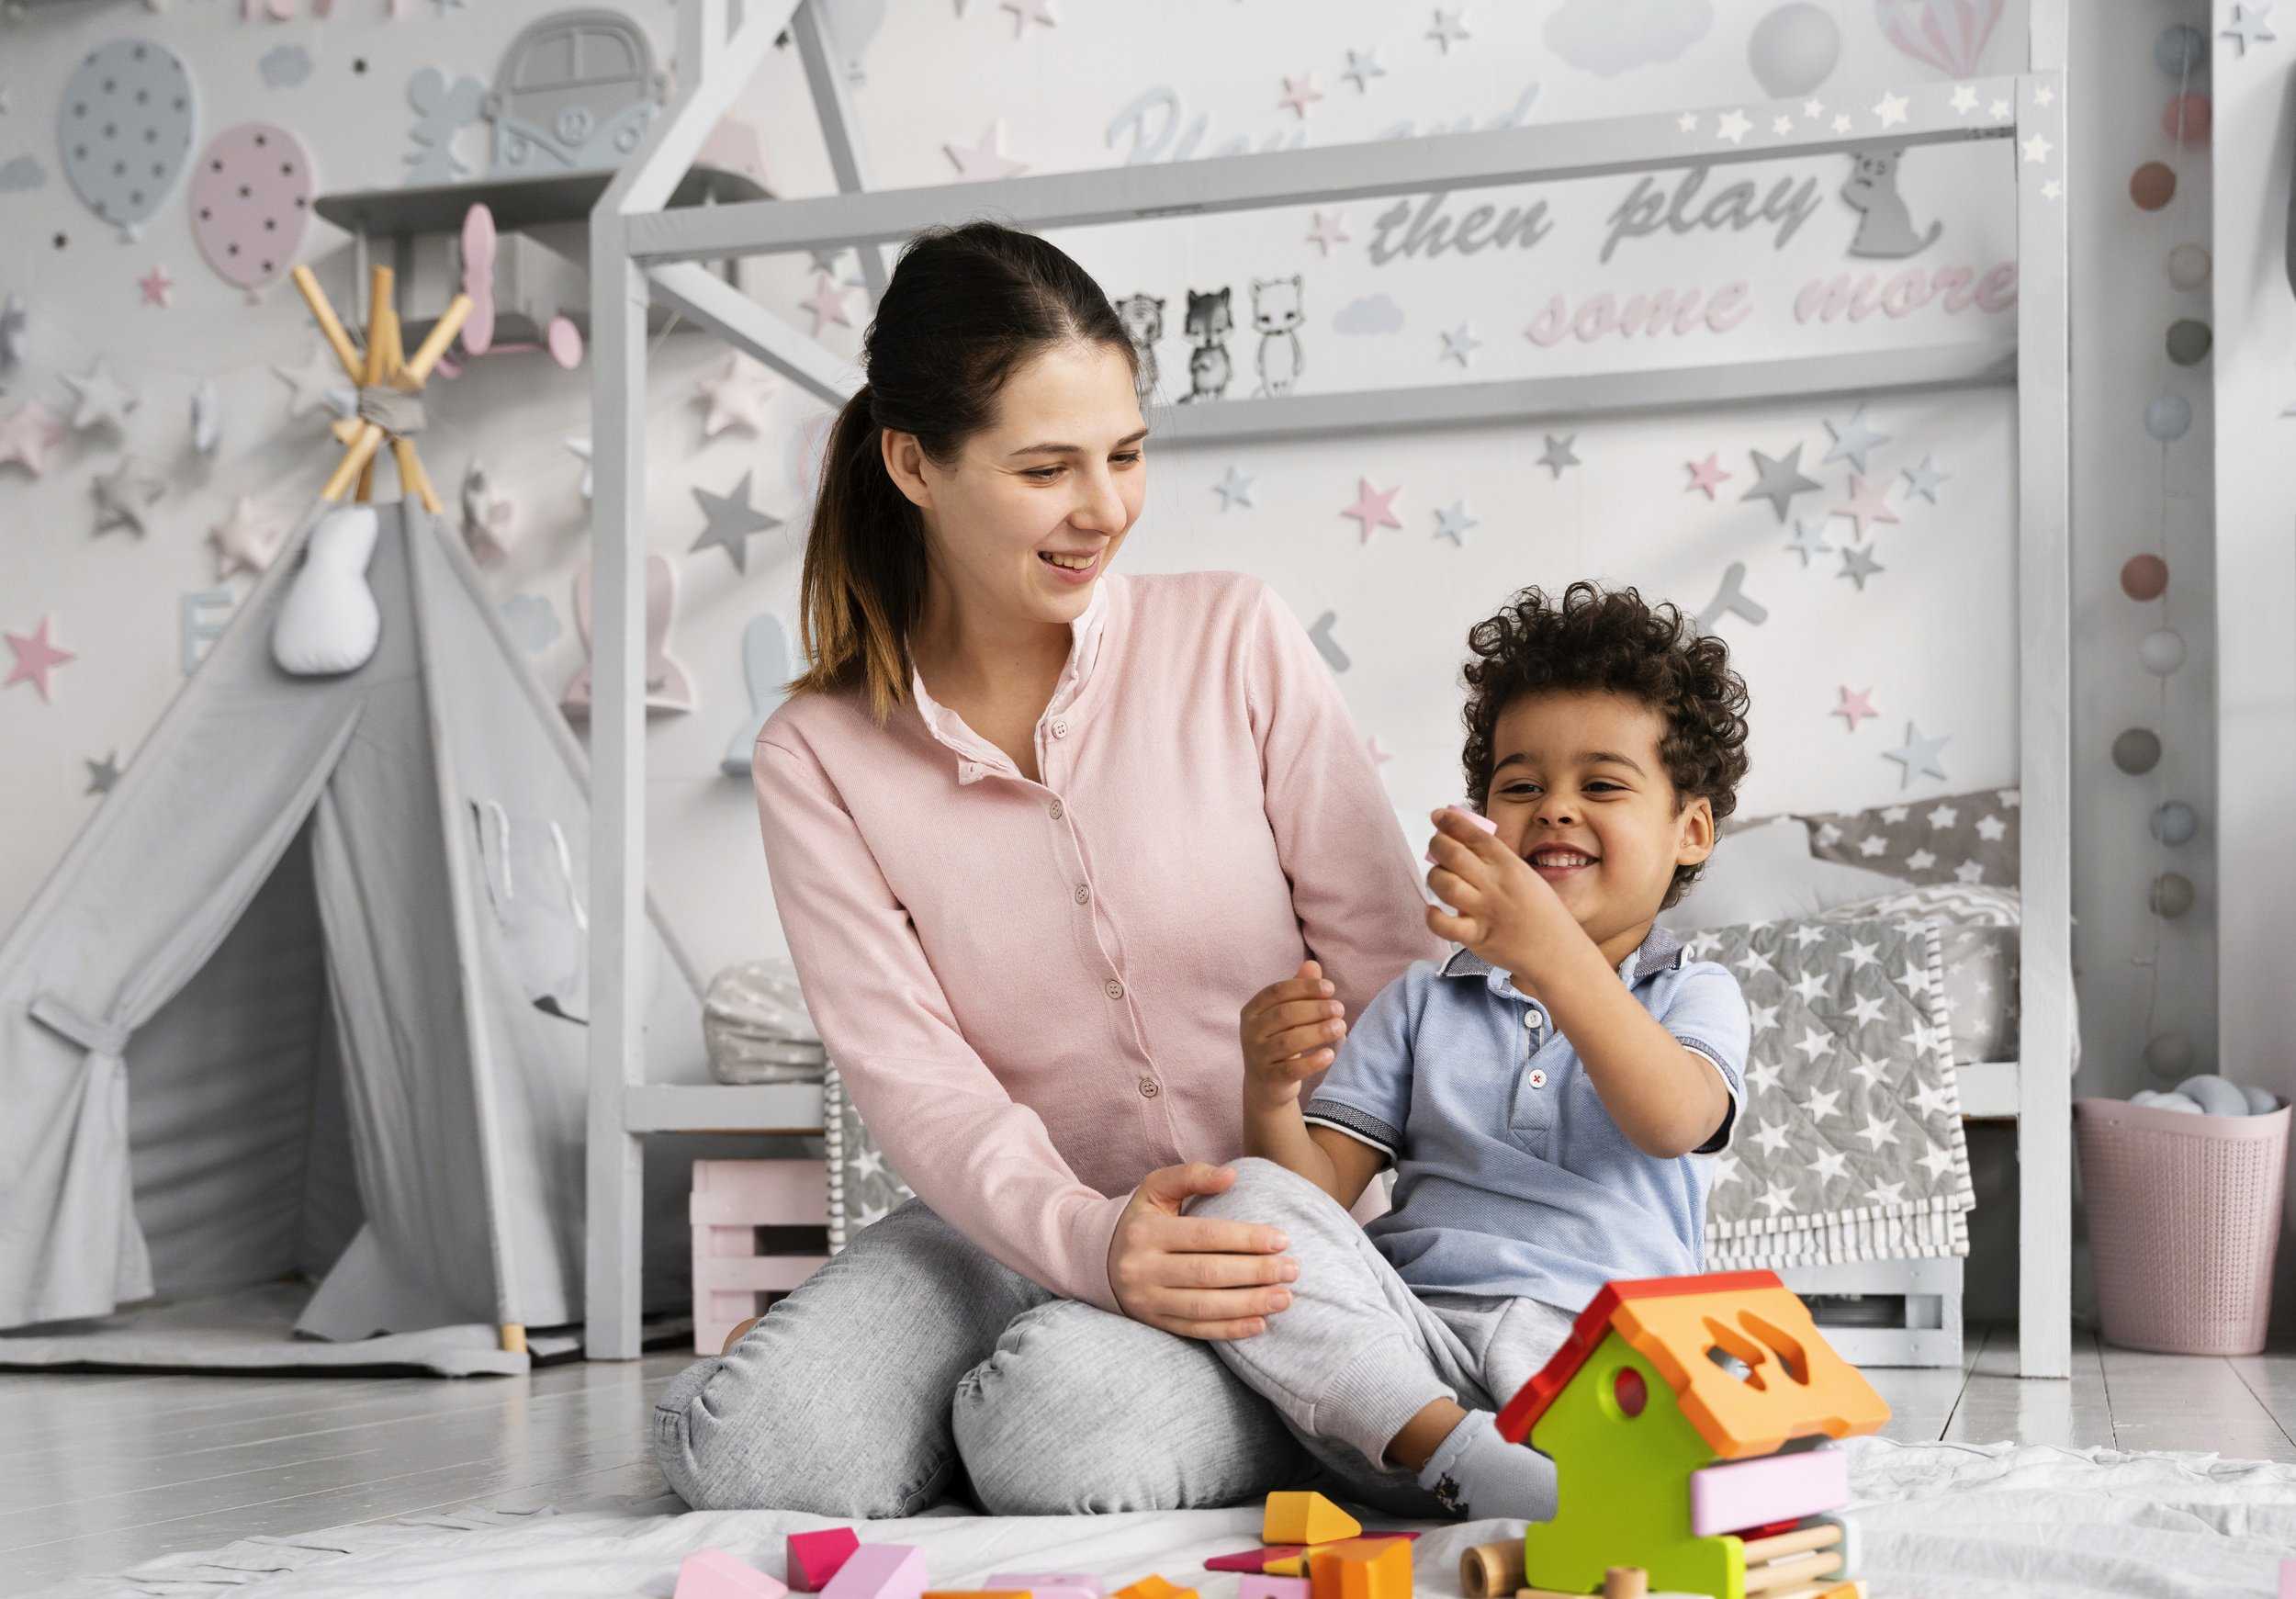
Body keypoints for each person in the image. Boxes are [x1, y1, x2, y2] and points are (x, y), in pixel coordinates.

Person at [652, 220, 1439, 1516]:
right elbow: (920, 1085)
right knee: (752, 1454)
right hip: (1004, 1229)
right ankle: (1010, 1386)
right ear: (913, 463)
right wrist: (1087, 1244)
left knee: (1056, 1435)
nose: (1106, 508)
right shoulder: (820, 751)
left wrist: (1321, 1206)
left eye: (1126, 454)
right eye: (1046, 468)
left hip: (1274, 1232)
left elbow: (1396, 978)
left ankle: (1232, 1393)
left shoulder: (1232, 639)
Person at [1195, 581, 1754, 1519]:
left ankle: (1514, 1469)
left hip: (1596, 1355)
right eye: (1521, 784)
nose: (1555, 811)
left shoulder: (1693, 991)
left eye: (1602, 785)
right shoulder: (1425, 999)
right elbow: (1309, 1195)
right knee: (1243, 1206)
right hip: (1417, 1356)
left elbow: (1673, 1120)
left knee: (1714, 1407)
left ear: (1689, 829)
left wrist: (1551, 953)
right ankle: (1450, 1452)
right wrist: (1268, 1093)